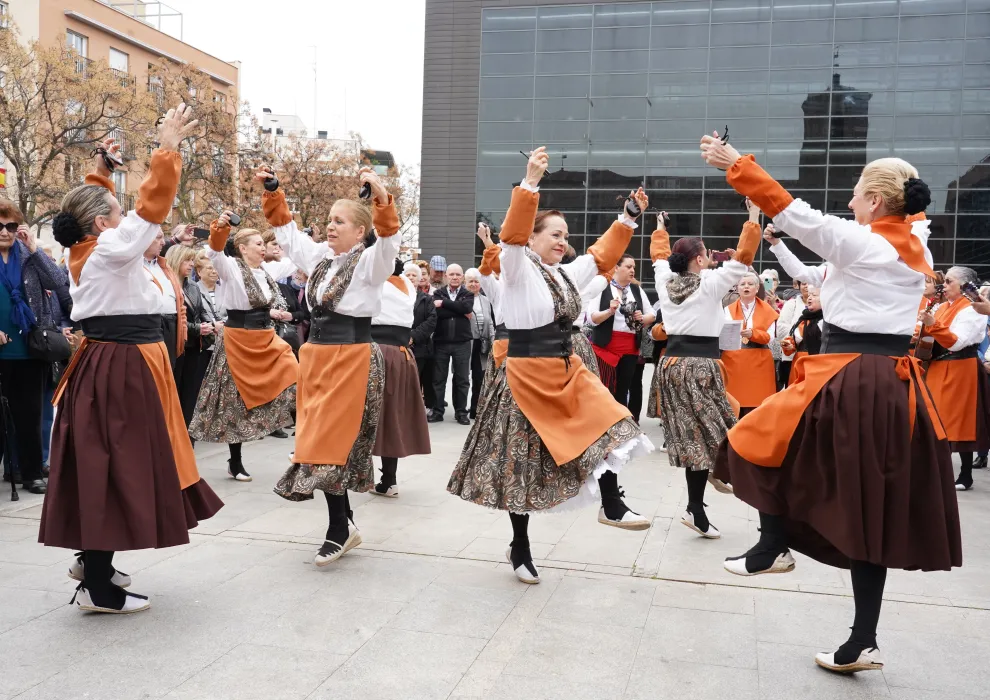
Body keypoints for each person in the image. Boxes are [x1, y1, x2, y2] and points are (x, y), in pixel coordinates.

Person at [703, 133, 960, 673]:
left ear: (876, 201)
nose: (848, 202)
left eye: (856, 194)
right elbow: (816, 273)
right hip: (889, 383)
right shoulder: (909, 247)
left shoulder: (867, 243)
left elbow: (801, 214)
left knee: (750, 439)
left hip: (852, 376)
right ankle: (859, 636)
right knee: (871, 510)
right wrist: (776, 243)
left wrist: (737, 164)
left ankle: (773, 543)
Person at [41, 106, 223, 614]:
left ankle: (95, 568)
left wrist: (101, 169)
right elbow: (147, 214)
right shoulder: (105, 250)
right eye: (115, 213)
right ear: (102, 223)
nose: (126, 219)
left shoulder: (91, 247)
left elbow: (107, 211)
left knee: (109, 462)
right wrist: (166, 151)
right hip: (122, 365)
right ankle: (97, 583)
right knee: (116, 464)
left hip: (120, 362)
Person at [449, 147, 653, 585]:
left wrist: (629, 216)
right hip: (524, 377)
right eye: (554, 234)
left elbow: (599, 258)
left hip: (565, 368)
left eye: (565, 235)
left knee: (612, 420)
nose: (562, 241)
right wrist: (530, 185)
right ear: (534, 238)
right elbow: (513, 239)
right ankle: (520, 544)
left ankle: (611, 502)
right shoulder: (518, 268)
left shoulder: (564, 274)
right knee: (519, 467)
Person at [266, 165, 400, 567]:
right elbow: (288, 235)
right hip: (316, 356)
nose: (330, 227)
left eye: (339, 221)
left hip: (351, 358)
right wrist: (275, 190)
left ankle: (338, 530)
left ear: (360, 231)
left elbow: (389, 240)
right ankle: (345, 524)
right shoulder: (323, 258)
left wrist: (381, 197)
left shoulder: (371, 262)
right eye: (328, 220)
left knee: (328, 442)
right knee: (315, 440)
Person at [652, 209, 755, 541]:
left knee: (698, 437)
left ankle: (697, 506)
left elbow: (657, 257)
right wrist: (752, 217)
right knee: (722, 430)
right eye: (707, 254)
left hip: (671, 365)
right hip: (699, 366)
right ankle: (710, 482)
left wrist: (659, 230)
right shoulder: (710, 284)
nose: (711, 258)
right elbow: (743, 260)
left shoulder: (664, 280)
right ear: (698, 260)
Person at [188, 220, 298, 482]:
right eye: (258, 244)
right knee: (234, 401)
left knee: (297, 377)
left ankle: (303, 446)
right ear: (242, 248)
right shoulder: (231, 269)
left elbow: (297, 258)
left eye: (263, 244)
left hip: (266, 338)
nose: (263, 248)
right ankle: (235, 461)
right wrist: (221, 228)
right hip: (238, 339)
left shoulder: (267, 271)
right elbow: (215, 252)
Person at [0, 202, 69, 494]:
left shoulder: (28, 256)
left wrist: (35, 249)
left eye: (12, 226)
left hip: (29, 349)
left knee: (29, 416)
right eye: (0, 226)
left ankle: (30, 473)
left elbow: (58, 282)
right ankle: (9, 469)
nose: (5, 232)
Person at [918, 266, 990, 491]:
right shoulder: (942, 306)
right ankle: (937, 472)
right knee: (935, 419)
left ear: (964, 285)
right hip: (938, 365)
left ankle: (965, 474)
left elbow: (957, 342)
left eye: (949, 281)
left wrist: (932, 324)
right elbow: (929, 335)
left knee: (960, 420)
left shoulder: (973, 308)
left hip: (960, 367)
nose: (944, 285)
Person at [369, 259, 433, 497]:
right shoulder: (406, 283)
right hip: (401, 354)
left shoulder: (379, 283)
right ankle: (389, 480)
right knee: (393, 415)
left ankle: (366, 476)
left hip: (376, 352)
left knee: (367, 415)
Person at [589, 254, 654, 421]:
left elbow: (652, 315)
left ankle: (621, 426)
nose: (632, 270)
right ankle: (603, 424)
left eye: (634, 267)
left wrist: (642, 318)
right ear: (616, 267)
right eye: (628, 266)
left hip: (630, 347)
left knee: (623, 389)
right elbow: (592, 318)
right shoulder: (602, 287)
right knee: (605, 388)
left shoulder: (636, 290)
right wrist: (609, 311)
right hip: (606, 347)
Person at [721, 247, 779, 417]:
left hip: (759, 362)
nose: (746, 287)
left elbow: (770, 337)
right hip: (734, 361)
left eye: (750, 284)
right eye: (742, 284)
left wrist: (752, 333)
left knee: (757, 409)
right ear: (737, 288)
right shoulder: (728, 308)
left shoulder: (767, 309)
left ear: (756, 288)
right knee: (733, 407)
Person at [166, 245, 211, 427]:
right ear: (176, 260)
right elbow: (172, 319)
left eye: (192, 260)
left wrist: (210, 325)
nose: (191, 264)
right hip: (175, 344)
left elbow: (201, 311)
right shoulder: (167, 283)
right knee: (174, 390)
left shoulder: (192, 285)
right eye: (187, 260)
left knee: (190, 393)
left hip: (194, 346)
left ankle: (187, 433)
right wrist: (197, 328)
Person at [430, 263, 474, 425]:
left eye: (458, 274)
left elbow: (467, 307)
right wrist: (460, 310)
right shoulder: (438, 293)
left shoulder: (467, 294)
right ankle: (437, 411)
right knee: (438, 378)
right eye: (452, 274)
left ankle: (461, 412)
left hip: (462, 343)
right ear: (446, 276)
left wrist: (444, 304)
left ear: (462, 277)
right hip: (441, 342)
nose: (455, 277)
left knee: (462, 379)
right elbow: (436, 313)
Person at [142, 230, 185, 369]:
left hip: (171, 325)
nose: (163, 242)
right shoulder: (132, 266)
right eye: (159, 238)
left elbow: (179, 302)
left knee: (168, 372)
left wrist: (182, 330)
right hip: (148, 326)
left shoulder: (164, 266)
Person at [406, 263, 438, 410]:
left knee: (420, 380)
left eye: (414, 275)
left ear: (419, 279)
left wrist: (413, 336)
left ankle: (420, 410)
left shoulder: (426, 299)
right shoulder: (397, 297)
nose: (411, 277)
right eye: (408, 275)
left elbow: (431, 321)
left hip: (421, 348)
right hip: (400, 344)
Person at [464, 267, 495, 419]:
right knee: (462, 376)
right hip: (466, 342)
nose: (474, 284)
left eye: (477, 281)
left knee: (479, 376)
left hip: (482, 343)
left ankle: (475, 408)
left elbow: (490, 322)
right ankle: (461, 409)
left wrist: (492, 340)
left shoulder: (486, 300)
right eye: (471, 281)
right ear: (465, 283)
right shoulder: (462, 298)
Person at [774, 260, 808, 388]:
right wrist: (802, 333)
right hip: (792, 354)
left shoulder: (823, 305)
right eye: (803, 283)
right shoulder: (791, 304)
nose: (806, 286)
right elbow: (781, 329)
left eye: (810, 283)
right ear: (798, 286)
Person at [780, 287, 823, 385]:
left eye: (814, 295)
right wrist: (789, 345)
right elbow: (793, 340)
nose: (809, 298)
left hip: (817, 364)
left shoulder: (826, 321)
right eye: (809, 295)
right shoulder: (803, 319)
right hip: (798, 364)